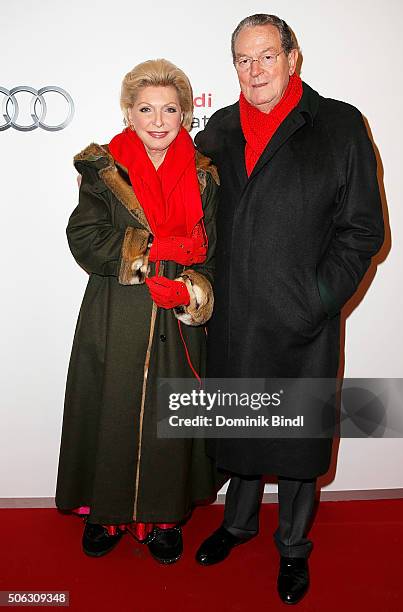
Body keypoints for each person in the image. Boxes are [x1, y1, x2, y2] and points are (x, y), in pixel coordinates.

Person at [194, 13, 384, 604]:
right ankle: (238, 524)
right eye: (243, 60)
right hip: (233, 318)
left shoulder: (339, 124)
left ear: (293, 58)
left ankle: (294, 548)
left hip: (303, 319)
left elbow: (362, 229)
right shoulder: (218, 130)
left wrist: (320, 299)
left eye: (267, 56)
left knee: (298, 442)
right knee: (244, 426)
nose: (255, 71)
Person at [55, 58, 219, 564]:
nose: (158, 119)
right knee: (113, 411)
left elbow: (212, 249)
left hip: (175, 318)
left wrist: (191, 288)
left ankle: (164, 519)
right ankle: (106, 516)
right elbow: (83, 236)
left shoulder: (205, 174)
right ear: (129, 112)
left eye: (170, 109)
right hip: (116, 311)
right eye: (146, 108)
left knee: (171, 415)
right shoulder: (104, 169)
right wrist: (148, 254)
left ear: (186, 115)